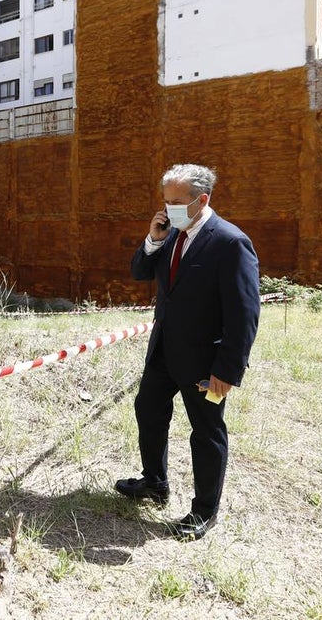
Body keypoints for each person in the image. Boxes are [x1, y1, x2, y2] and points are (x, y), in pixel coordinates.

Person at [117, 163, 260, 541]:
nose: (169, 209)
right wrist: (152, 239)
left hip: (205, 363)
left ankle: (204, 510)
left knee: (206, 431)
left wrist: (228, 370)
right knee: (148, 409)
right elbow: (139, 272)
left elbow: (244, 313)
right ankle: (154, 482)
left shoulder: (230, 242)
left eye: (177, 202)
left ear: (202, 200)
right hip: (164, 351)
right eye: (165, 201)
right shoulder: (171, 235)